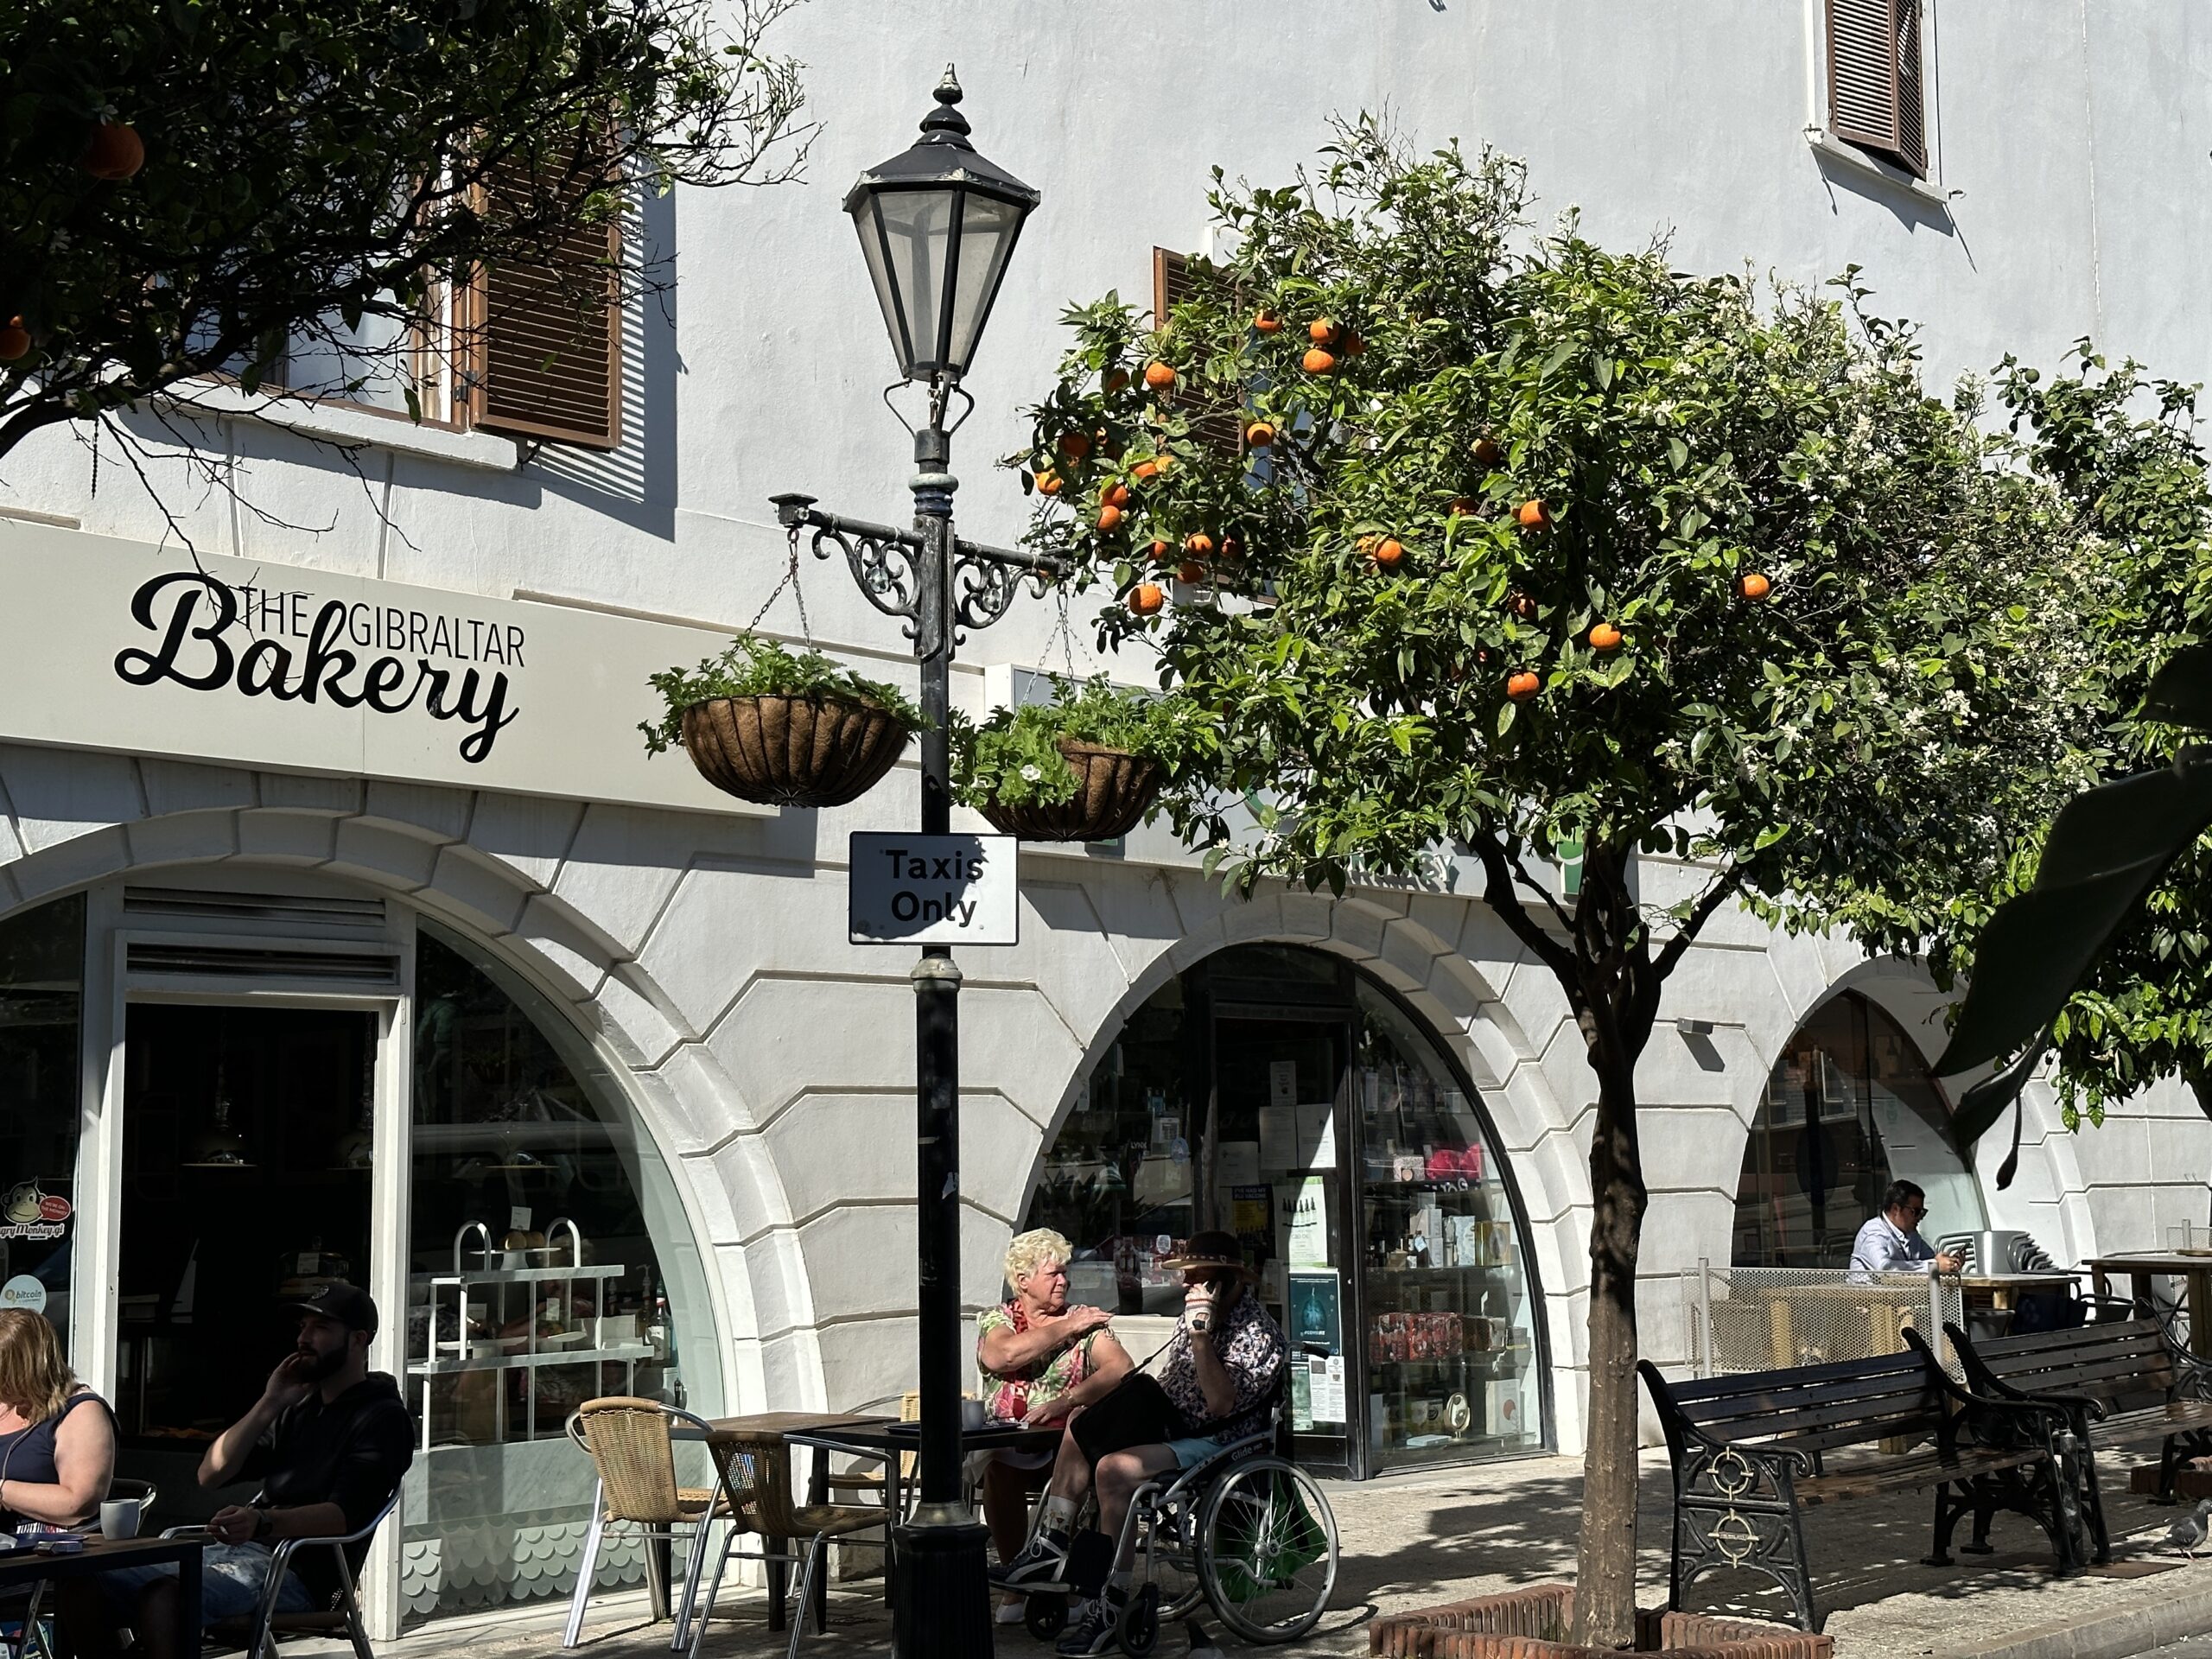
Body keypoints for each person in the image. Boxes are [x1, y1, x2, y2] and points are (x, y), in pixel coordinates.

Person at [76, 1283, 412, 1659]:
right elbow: (211, 1473)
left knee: (164, 1594)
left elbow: (343, 1516)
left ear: (358, 1340)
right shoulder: (297, 1409)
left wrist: (262, 1522)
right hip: (234, 1555)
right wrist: (270, 1402)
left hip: (297, 1572)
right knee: (84, 1581)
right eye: (302, 1326)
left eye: (320, 1328)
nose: (303, 1339)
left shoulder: (382, 1418)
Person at [992, 1230, 1286, 1657]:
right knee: (1083, 1421)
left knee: (1114, 1471)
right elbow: (1170, 1381)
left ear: (1223, 1282)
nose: (1186, 1285)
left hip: (1216, 1440)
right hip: (1170, 1422)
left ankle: (1109, 1604)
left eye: (1196, 1278)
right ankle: (1051, 1543)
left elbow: (1220, 1405)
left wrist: (1201, 1336)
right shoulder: (1192, 1314)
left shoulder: (1256, 1333)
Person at [976, 1229, 1132, 1625]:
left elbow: (1120, 1367)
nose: (1063, 1281)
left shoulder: (1086, 1320)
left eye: (1065, 1272)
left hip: (1067, 1443)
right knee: (998, 1470)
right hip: (1011, 1444)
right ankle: (1017, 1581)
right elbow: (1002, 1356)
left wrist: (1068, 1399)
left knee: (1084, 1471)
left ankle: (1070, 1584)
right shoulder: (999, 1318)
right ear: (1023, 1281)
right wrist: (1066, 1328)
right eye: (1053, 1274)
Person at [0, 1308, 114, 1529]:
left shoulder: (80, 1412)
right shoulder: (6, 1403)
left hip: (45, 1540)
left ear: (26, 1371)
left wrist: (3, 1491)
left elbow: (78, 1503)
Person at [1847, 1179, 1964, 1282]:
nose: (1919, 1218)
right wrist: (1934, 1266)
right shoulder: (1873, 1232)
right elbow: (1884, 1269)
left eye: (1922, 1213)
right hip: (1866, 1297)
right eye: (1915, 1212)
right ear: (1895, 1209)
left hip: (1899, 1296)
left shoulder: (1911, 1234)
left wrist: (1949, 1264)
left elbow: (1930, 1259)